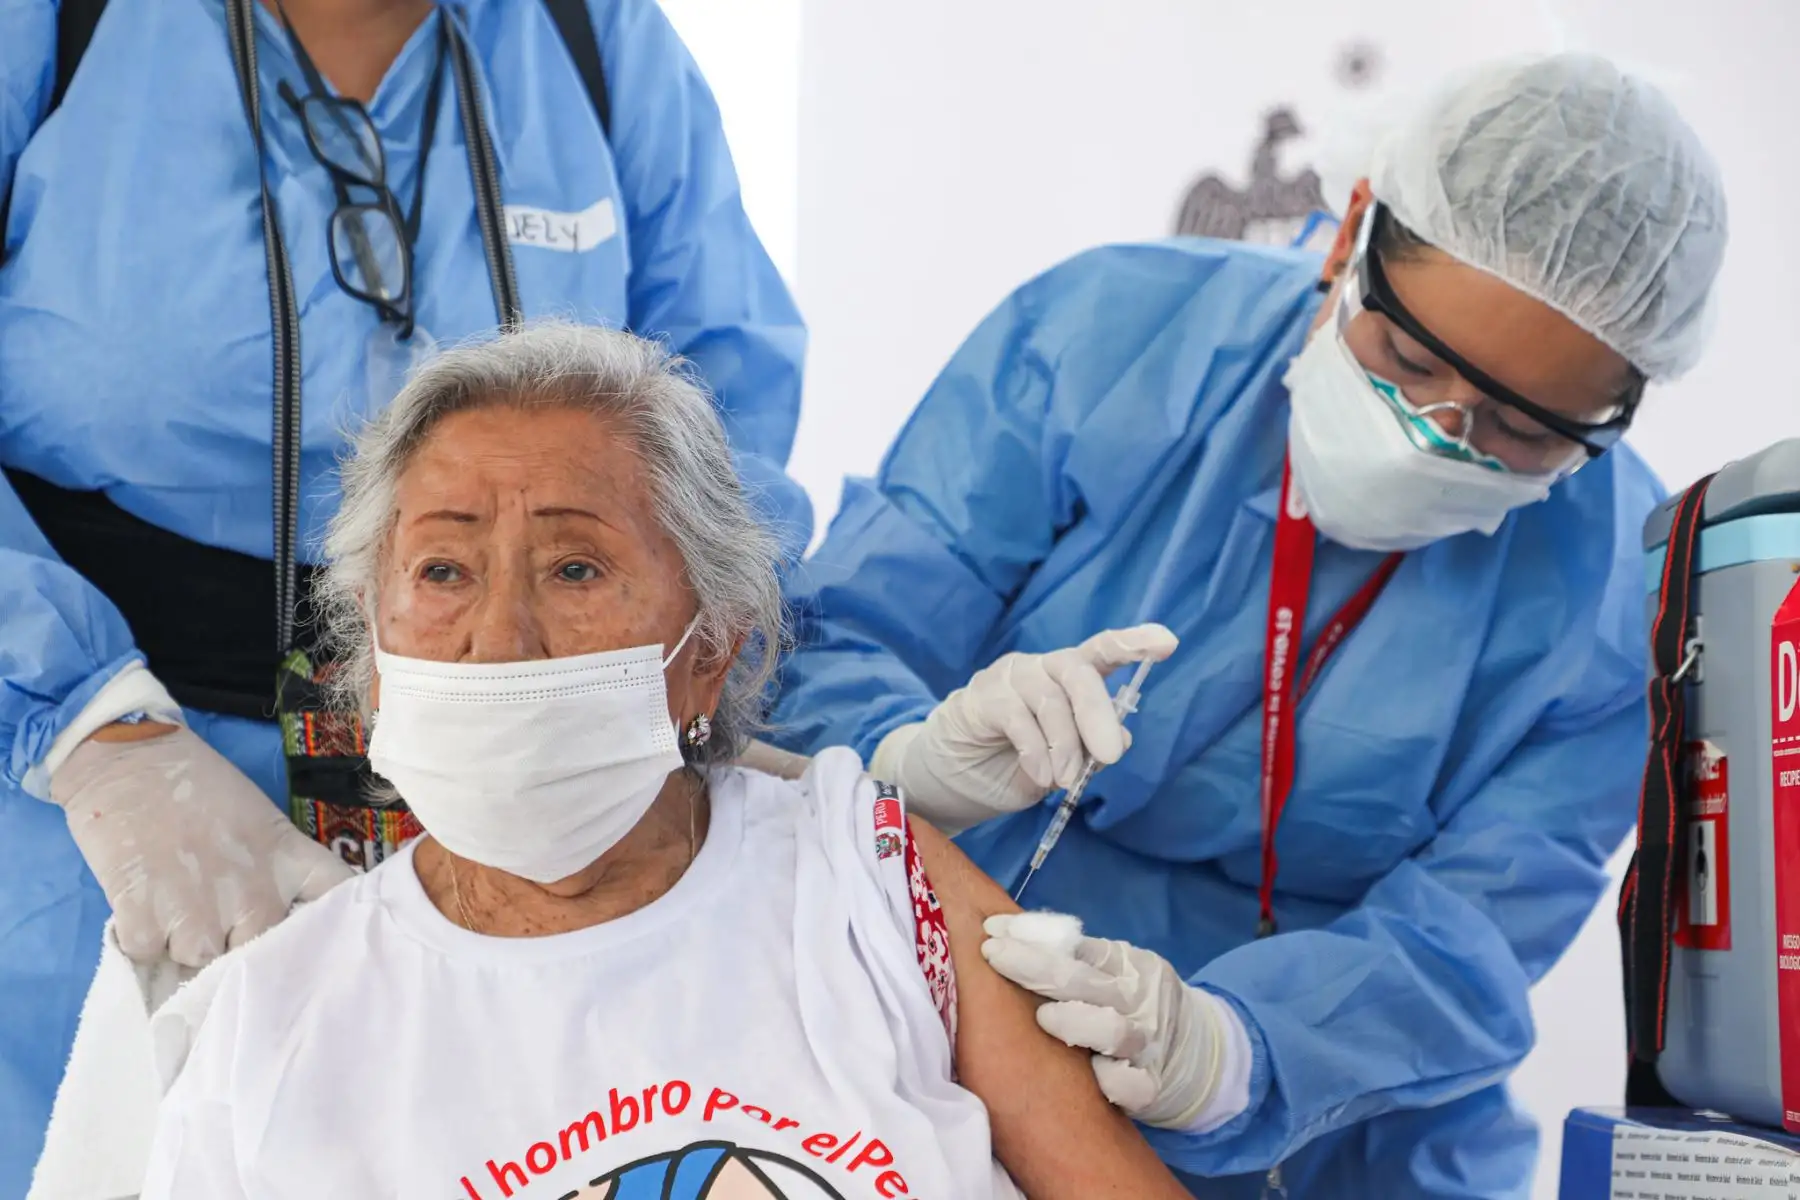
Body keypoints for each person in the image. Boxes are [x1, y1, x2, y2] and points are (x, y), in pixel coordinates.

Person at [770, 53, 1728, 1198]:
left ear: (1619, 413)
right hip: (954, 996)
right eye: (1409, 359)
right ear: (1349, 234)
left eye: (1524, 430)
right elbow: (831, 634)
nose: (1439, 435)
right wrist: (908, 759)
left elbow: (1467, 939)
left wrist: (1230, 1059)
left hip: (1350, 1127)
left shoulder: (1619, 595)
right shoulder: (1111, 336)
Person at [0, 0, 808, 1189]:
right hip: (89, 770)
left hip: (513, 766)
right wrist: (89, 729)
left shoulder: (598, 40)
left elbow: (719, 455)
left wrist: (737, 720)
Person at [137, 322, 1190, 1200]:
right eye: (444, 567)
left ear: (712, 649)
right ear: (371, 644)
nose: (501, 636)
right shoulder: (271, 1024)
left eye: (576, 565)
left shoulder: (869, 886)